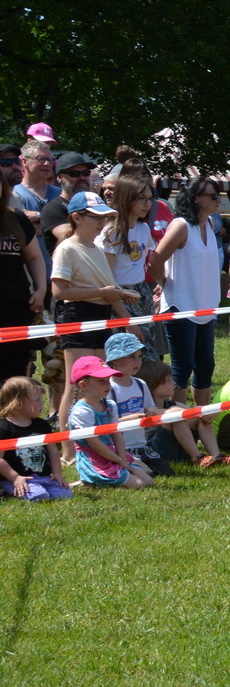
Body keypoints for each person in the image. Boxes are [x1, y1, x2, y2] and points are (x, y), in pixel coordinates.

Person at [51, 193, 137, 455]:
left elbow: (109, 292)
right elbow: (59, 291)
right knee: (76, 384)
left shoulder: (97, 249)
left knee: (99, 382)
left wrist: (128, 321)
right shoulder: (67, 248)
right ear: (76, 218)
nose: (101, 223)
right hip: (77, 315)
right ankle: (68, 450)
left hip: (101, 315)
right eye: (96, 217)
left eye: (104, 218)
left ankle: (95, 445)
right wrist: (103, 292)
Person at [151, 177, 226, 418]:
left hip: (205, 306)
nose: (218, 199)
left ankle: (201, 420)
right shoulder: (181, 226)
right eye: (212, 195)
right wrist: (164, 284)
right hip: (180, 306)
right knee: (182, 368)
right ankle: (179, 423)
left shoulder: (210, 223)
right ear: (195, 199)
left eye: (217, 195)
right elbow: (155, 259)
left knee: (205, 367)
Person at [66, 355, 154, 489]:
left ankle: (95, 481)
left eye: (108, 380)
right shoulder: (82, 412)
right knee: (140, 485)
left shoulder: (110, 405)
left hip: (113, 454)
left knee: (149, 480)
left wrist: (123, 459)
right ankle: (91, 480)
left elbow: (116, 434)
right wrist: (119, 461)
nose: (108, 385)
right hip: (95, 458)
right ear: (83, 385)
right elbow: (94, 444)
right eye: (101, 381)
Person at [103, 332, 173, 479]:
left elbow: (150, 408)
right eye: (131, 357)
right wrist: (133, 418)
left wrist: (153, 412)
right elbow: (108, 424)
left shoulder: (140, 384)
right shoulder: (109, 388)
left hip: (142, 446)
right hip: (122, 448)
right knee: (147, 474)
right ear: (114, 360)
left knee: (167, 472)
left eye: (139, 356)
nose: (138, 361)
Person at [102, 175, 158, 353]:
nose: (147, 204)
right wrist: (127, 319)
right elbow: (106, 280)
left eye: (150, 199)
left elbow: (142, 263)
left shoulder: (143, 228)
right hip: (119, 297)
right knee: (127, 355)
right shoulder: (112, 232)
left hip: (141, 292)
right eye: (142, 198)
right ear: (127, 197)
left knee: (147, 349)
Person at [0, 185, 47, 383]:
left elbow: (35, 257)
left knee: (15, 377)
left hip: (16, 308)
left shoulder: (16, 218)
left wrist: (41, 288)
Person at [0, 376, 72, 500]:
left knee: (66, 495)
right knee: (39, 496)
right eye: (37, 400)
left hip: (44, 477)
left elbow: (52, 451)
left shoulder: (42, 425)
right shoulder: (4, 428)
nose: (42, 403)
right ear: (18, 403)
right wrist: (15, 478)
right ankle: (7, 490)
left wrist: (57, 474)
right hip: (18, 478)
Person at [11, 142, 61, 222]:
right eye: (40, 158)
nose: (47, 164)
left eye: (49, 160)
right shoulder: (13, 194)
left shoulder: (60, 194)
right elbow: (18, 226)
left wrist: (38, 216)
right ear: (24, 162)